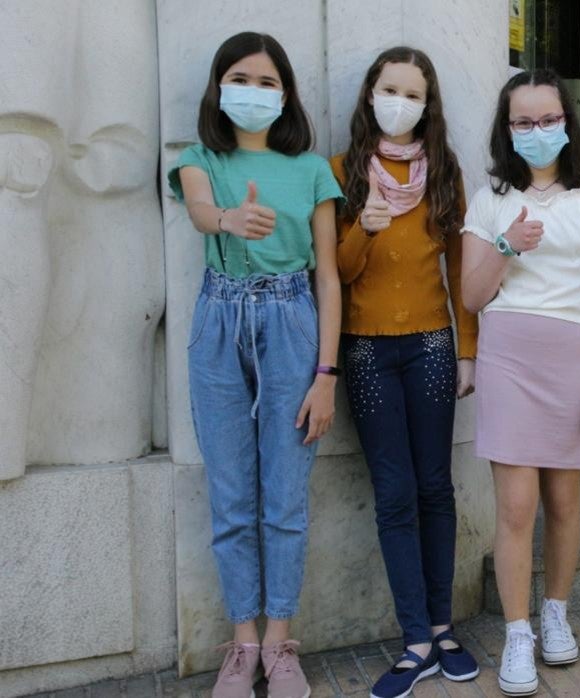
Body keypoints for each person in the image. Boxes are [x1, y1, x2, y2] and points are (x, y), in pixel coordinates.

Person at [169, 31, 342, 698]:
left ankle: (280, 643)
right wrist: (229, 221)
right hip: (219, 322)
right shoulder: (199, 159)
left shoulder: (313, 170)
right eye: (241, 78)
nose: (255, 91)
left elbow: (328, 277)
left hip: (293, 324)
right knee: (232, 495)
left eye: (268, 81)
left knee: (286, 497)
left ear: (287, 93)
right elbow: (200, 212)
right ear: (218, 87)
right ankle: (241, 646)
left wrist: (325, 376)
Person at [460, 69, 580, 697]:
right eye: (524, 121)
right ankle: (517, 634)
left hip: (575, 361)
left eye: (548, 119)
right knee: (515, 508)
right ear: (508, 129)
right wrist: (507, 245)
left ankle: (557, 613)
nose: (537, 131)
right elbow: (472, 297)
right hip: (509, 357)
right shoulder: (491, 199)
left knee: (564, 502)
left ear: (567, 123)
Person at [331, 47, 480, 696]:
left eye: (414, 93)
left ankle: (444, 629)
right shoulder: (341, 172)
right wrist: (362, 228)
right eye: (391, 90)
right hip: (366, 349)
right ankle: (414, 638)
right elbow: (335, 274)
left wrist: (467, 348)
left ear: (428, 105)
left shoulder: (444, 173)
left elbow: (459, 269)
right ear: (370, 95)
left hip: (430, 347)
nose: (401, 102)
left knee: (435, 487)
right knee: (394, 494)